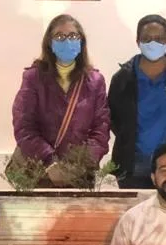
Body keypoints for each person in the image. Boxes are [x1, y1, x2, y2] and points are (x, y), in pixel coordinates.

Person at [12, 14, 110, 186]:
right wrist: (50, 162)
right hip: (41, 172)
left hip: (81, 175)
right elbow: (24, 127)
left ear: (81, 41)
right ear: (50, 43)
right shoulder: (33, 78)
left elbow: (101, 127)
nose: (67, 41)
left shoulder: (95, 81)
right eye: (59, 36)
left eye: (73, 36)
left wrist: (80, 163)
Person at [108, 14, 166, 188]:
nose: (153, 43)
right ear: (138, 41)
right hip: (133, 166)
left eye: (159, 39)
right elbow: (113, 118)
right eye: (147, 38)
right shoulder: (123, 78)